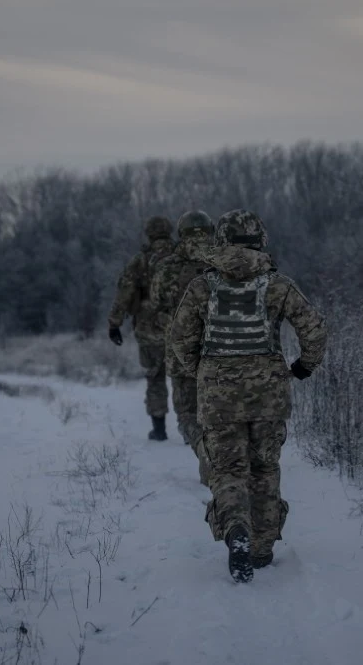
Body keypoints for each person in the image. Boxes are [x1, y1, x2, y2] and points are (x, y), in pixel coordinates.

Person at [169, 209, 328, 583]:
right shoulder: (278, 285)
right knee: (264, 468)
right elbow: (315, 329)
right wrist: (304, 366)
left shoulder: (202, 286)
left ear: (221, 241)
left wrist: (203, 371)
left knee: (227, 469)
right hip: (268, 394)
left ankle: (235, 529)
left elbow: (180, 338)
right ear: (261, 241)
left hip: (217, 394)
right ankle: (260, 549)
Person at [149, 210, 216, 485]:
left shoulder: (167, 266)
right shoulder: (223, 261)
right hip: (220, 350)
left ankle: (202, 449)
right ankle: (221, 455)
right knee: (217, 409)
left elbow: (156, 303)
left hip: (180, 351)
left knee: (188, 412)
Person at [108, 215, 176, 441]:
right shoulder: (183, 257)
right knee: (186, 378)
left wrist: (114, 324)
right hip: (183, 327)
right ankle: (191, 430)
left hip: (149, 328)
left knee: (155, 377)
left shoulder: (140, 260)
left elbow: (124, 292)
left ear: (148, 233)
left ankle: (159, 429)